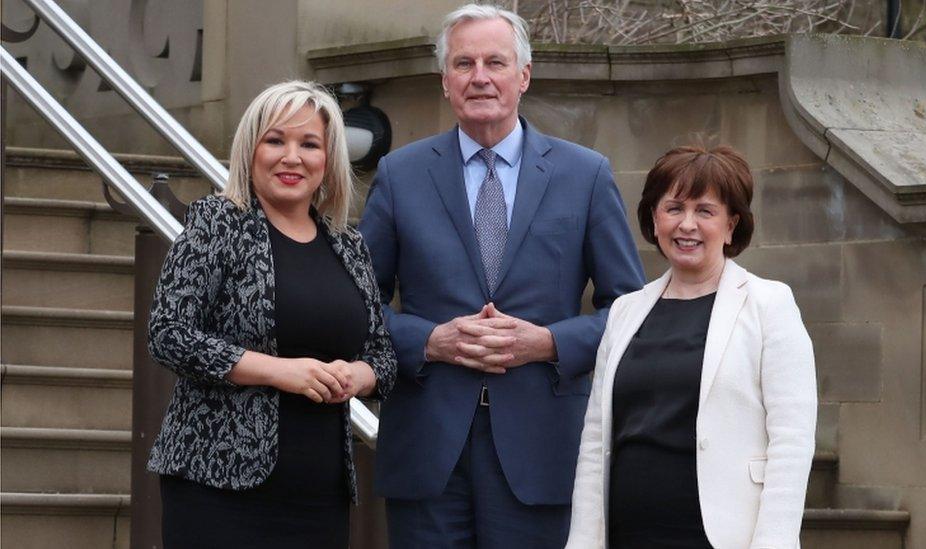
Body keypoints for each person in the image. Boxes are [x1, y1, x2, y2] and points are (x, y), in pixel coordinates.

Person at [357, 4, 645, 548]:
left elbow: (631, 309)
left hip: (542, 448)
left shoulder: (585, 175)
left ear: (524, 76)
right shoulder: (401, 174)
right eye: (464, 64)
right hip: (428, 446)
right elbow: (357, 302)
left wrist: (550, 342)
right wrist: (431, 341)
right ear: (445, 82)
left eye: (496, 62)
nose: (480, 76)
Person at [146, 80, 396, 549]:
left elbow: (381, 353)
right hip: (217, 486)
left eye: (309, 144)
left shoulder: (349, 245)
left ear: (329, 158)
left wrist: (358, 375)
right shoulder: (218, 222)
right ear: (251, 149)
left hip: (319, 491)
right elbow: (169, 332)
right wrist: (280, 372)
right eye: (276, 140)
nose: (292, 157)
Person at [565, 145, 817, 549]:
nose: (687, 225)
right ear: (654, 218)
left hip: (721, 536)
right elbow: (595, 442)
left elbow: (792, 441)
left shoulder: (769, 304)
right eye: (674, 208)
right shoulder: (625, 312)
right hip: (628, 532)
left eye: (705, 211)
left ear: (732, 225)